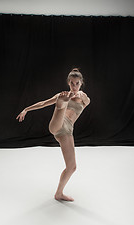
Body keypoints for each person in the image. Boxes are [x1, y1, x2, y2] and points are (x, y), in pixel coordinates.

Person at [16, 68, 90, 201]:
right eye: (72, 83)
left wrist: (82, 96)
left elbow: (87, 102)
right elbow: (43, 104)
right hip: (58, 123)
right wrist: (26, 109)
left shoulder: (84, 98)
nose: (74, 86)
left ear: (81, 83)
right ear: (68, 83)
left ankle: (59, 193)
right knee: (61, 101)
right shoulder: (63, 94)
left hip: (67, 131)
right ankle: (61, 105)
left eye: (77, 83)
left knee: (72, 167)